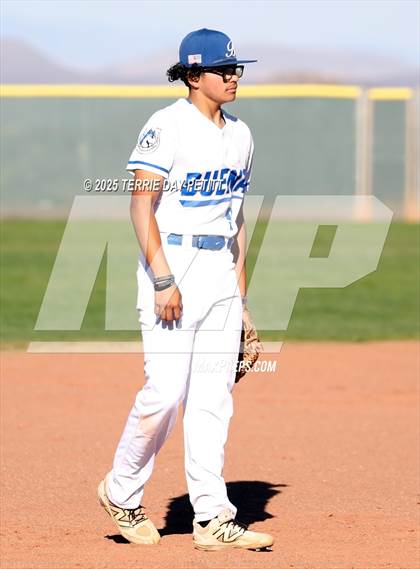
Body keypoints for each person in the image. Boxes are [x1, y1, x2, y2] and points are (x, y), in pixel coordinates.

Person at [98, 28, 274, 551]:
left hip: (220, 271)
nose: (234, 76)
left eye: (236, 68)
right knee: (165, 393)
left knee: (213, 398)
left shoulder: (241, 135)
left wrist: (242, 304)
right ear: (194, 76)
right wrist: (162, 278)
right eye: (224, 69)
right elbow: (140, 204)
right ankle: (121, 490)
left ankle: (212, 517)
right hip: (173, 264)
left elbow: (236, 220)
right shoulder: (166, 125)